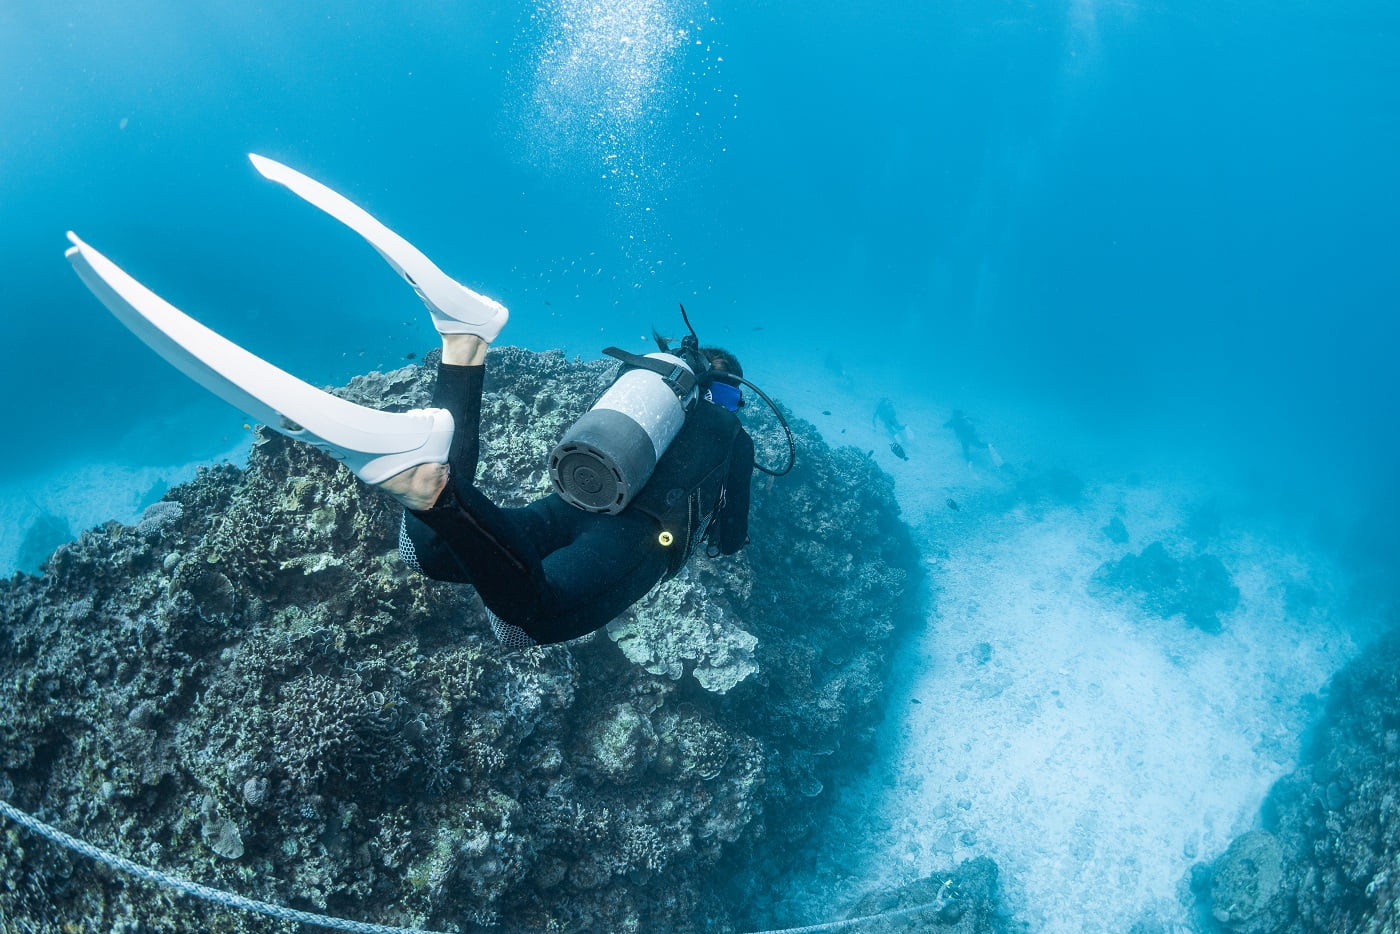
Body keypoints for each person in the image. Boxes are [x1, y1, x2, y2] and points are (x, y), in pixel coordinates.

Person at [65, 154, 754, 649]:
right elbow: (730, 532)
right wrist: (725, 539)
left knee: (427, 555)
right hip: (637, 533)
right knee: (536, 615)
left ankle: (465, 349)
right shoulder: (727, 430)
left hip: (571, 502)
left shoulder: (653, 395)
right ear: (729, 391)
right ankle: (428, 482)